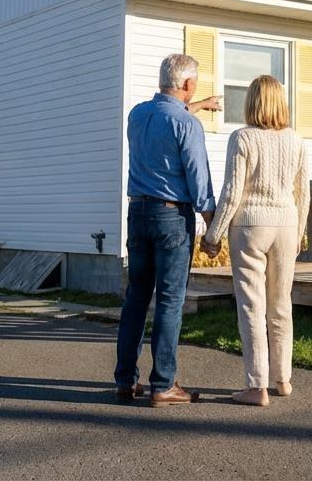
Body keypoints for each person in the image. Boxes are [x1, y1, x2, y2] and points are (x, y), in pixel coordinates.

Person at [115, 53, 220, 407]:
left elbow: (167, 117)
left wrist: (199, 105)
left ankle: (125, 380)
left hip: (137, 211)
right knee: (170, 300)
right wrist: (211, 224)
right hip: (172, 216)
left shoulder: (138, 114)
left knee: (136, 298)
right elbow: (198, 177)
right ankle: (163, 384)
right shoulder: (187, 126)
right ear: (188, 84)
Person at [200, 75, 309, 407]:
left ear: (251, 103)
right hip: (287, 225)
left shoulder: (242, 137)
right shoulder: (296, 140)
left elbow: (232, 193)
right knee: (281, 304)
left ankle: (256, 386)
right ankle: (283, 379)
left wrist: (213, 235)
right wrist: (300, 232)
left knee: (252, 306)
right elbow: (303, 193)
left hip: (250, 226)